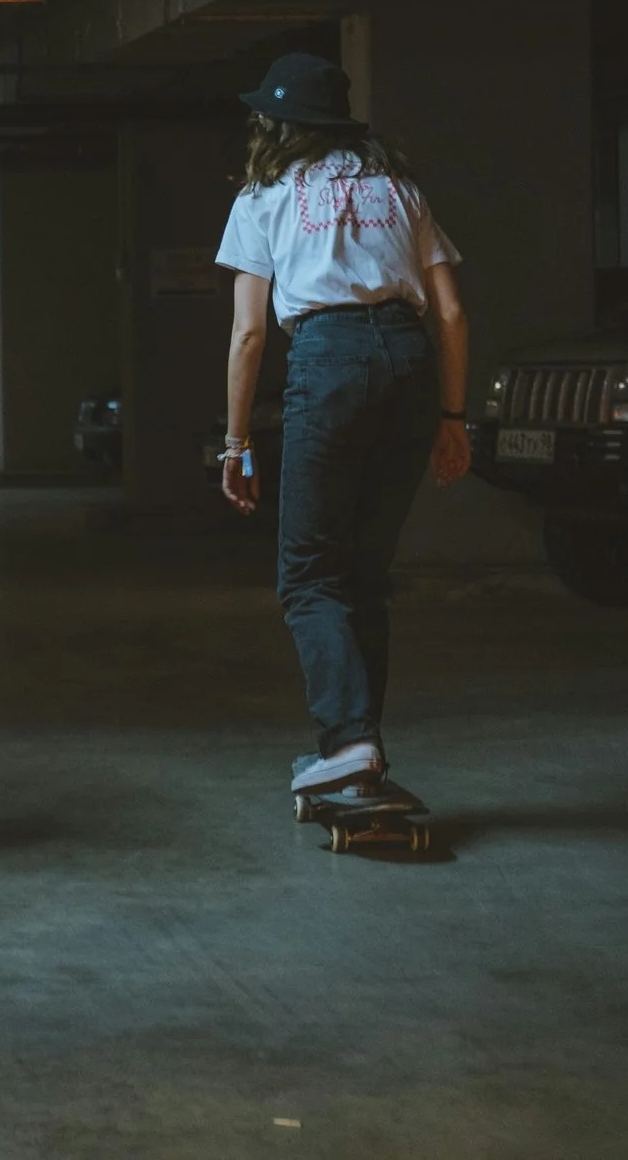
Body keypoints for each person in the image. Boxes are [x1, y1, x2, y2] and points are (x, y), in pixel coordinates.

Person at [213, 51, 469, 798]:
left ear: (279, 124)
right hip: (411, 362)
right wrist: (454, 415)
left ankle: (351, 742)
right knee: (362, 576)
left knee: (308, 574)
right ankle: (362, 754)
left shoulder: (263, 197)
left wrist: (235, 443)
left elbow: (249, 335)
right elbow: (450, 312)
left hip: (329, 361)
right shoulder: (399, 190)